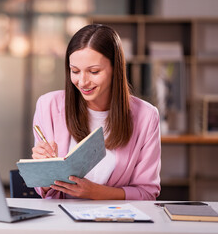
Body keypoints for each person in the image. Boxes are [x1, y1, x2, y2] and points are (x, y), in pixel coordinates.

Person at [31, 24, 161, 200]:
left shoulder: (146, 116)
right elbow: (43, 191)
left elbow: (147, 193)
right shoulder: (48, 106)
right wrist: (43, 172)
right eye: (75, 71)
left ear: (116, 68)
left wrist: (95, 193)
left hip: (115, 222)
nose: (82, 82)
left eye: (94, 71)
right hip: (61, 221)